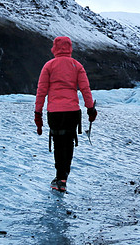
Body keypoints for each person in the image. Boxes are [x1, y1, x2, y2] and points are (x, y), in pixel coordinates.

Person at [34, 36, 97, 192]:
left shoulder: (48, 66)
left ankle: (58, 176)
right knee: (68, 144)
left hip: (54, 112)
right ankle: (63, 177)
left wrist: (38, 114)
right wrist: (90, 109)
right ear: (70, 48)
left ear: (55, 48)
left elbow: (41, 91)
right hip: (71, 112)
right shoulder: (77, 65)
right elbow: (85, 89)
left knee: (58, 143)